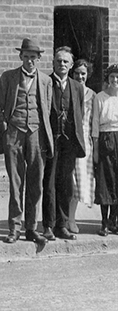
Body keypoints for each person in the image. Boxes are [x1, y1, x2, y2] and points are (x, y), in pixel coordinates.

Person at [0, 38, 53, 245]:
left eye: (33, 57)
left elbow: (48, 110)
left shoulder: (46, 81)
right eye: (26, 57)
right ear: (20, 57)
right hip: (14, 133)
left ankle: (31, 228)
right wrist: (5, 128)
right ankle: (14, 228)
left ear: (39, 59)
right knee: (16, 182)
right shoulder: (8, 78)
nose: (29, 61)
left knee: (36, 182)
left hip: (36, 134)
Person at [41, 47, 85, 241]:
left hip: (69, 143)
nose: (62, 65)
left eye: (66, 62)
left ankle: (62, 224)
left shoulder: (76, 86)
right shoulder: (45, 82)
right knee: (49, 183)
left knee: (66, 184)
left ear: (71, 65)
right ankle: (48, 226)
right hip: (51, 141)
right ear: (53, 63)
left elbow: (79, 113)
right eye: (59, 61)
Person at [68, 59, 96, 233]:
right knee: (67, 182)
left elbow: (94, 122)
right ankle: (63, 219)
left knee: (78, 183)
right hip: (68, 140)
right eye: (77, 73)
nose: (80, 76)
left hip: (84, 141)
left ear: (88, 75)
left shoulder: (92, 95)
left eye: (83, 73)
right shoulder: (68, 90)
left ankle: (71, 218)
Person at [92, 64, 118, 236]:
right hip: (104, 138)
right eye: (112, 77)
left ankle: (113, 221)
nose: (115, 80)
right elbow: (95, 122)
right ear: (107, 79)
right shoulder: (100, 97)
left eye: (117, 77)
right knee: (104, 180)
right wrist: (95, 149)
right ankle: (104, 223)